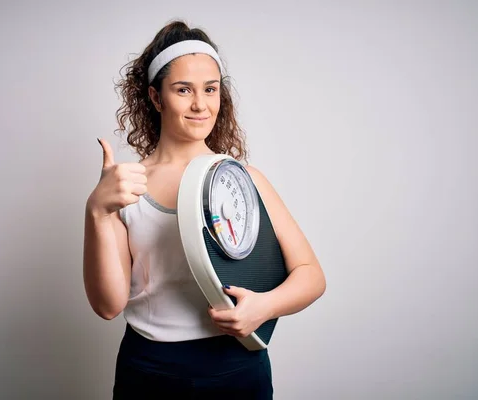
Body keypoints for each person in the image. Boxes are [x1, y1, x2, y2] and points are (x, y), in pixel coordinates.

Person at [83, 20, 326, 399]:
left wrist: (262, 308)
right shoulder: (127, 185)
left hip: (238, 367)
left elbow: (312, 276)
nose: (200, 104)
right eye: (183, 90)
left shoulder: (245, 180)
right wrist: (97, 211)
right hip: (148, 369)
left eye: (210, 89)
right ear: (156, 97)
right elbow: (108, 305)